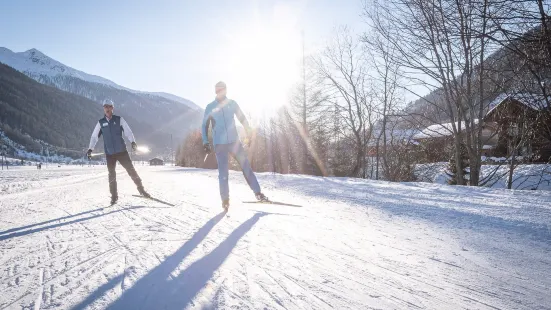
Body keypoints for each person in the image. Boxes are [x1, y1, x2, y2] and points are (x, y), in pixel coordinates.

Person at [202, 81, 268, 210]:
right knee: (223, 172)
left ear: (226, 90)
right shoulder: (210, 107)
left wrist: (249, 132)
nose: (220, 93)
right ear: (215, 92)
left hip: (234, 142)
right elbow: (204, 126)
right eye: (217, 90)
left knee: (246, 167)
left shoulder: (232, 103)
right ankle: (225, 200)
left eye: (222, 90)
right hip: (219, 144)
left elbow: (242, 118)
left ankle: (258, 193)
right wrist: (205, 142)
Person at [87, 99, 150, 204]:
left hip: (122, 151)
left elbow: (128, 131)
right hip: (110, 153)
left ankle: (141, 190)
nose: (107, 108)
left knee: (131, 170)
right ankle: (114, 196)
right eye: (105, 107)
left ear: (112, 108)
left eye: (109, 106)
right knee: (111, 174)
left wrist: (133, 142)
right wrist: (90, 149)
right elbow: (94, 137)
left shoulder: (119, 119)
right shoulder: (101, 123)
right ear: (103, 108)